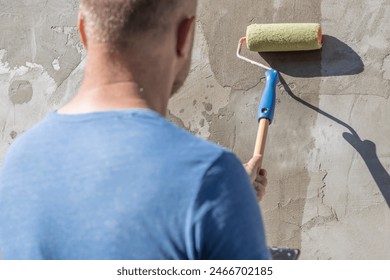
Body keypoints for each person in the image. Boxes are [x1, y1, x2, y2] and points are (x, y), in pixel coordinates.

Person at [0, 0, 270, 260]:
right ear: (184, 37)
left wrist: (229, 204)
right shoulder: (211, 177)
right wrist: (227, 204)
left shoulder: (18, 163)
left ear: (83, 30)